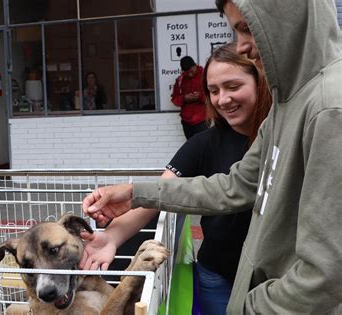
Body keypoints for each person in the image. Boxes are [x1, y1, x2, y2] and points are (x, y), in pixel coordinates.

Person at [83, 0, 342, 313]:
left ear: (288, 18)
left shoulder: (328, 108)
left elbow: (326, 269)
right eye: (213, 90)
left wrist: (250, 306)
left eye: (249, 29)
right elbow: (234, 186)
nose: (243, 45)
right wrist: (135, 193)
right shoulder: (287, 106)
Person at [80, 43, 272, 314]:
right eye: (214, 91)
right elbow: (160, 193)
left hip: (272, 279)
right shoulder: (204, 143)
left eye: (233, 86)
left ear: (259, 81)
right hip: (217, 275)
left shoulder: (281, 136)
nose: (223, 99)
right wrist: (111, 237)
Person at [171, 56, 208, 139]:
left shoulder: (206, 76)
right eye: (187, 72)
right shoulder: (180, 80)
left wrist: (199, 97)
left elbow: (213, 97)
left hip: (203, 120)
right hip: (186, 122)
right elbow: (175, 99)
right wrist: (184, 98)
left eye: (191, 71)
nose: (189, 74)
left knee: (205, 147)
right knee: (191, 148)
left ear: (194, 65)